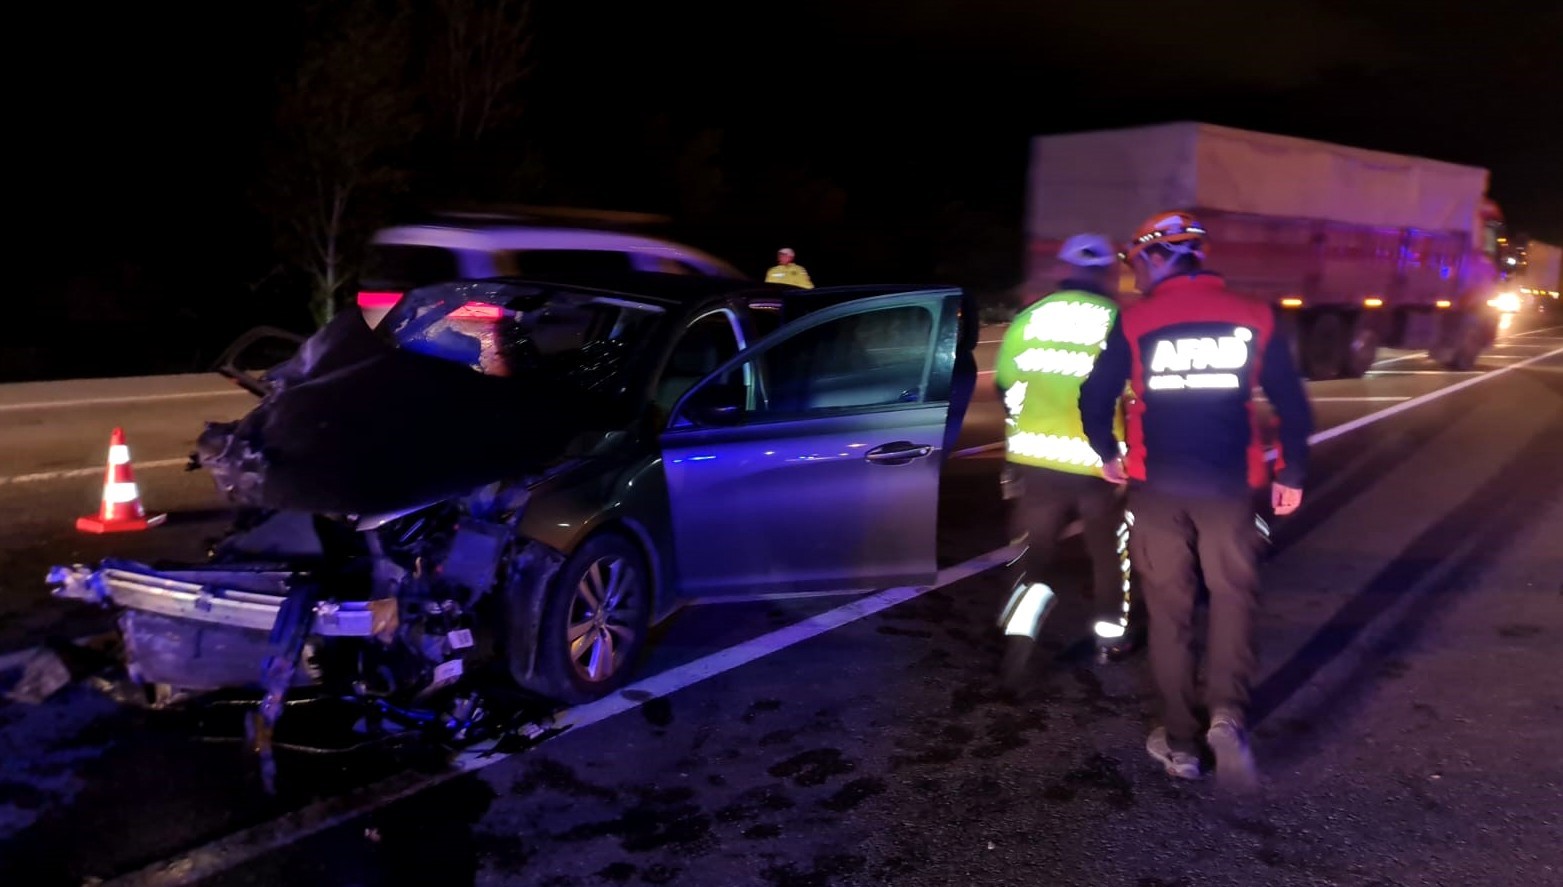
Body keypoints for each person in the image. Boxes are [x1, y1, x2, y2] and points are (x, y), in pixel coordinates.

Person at [1078, 211, 1312, 791]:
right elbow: (1291, 402)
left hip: (1158, 486)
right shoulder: (1255, 315)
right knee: (1233, 597)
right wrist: (1293, 472)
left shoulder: (1137, 322)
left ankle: (1181, 742)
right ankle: (1228, 715)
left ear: (1160, 257)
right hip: (1231, 485)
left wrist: (1108, 450)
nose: (1134, 274)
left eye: (1137, 262)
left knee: (1171, 609)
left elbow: (1094, 395)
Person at [993, 233, 1140, 687]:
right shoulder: (1117, 319)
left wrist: (1023, 429)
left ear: (1064, 270)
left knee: (1034, 549)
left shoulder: (1030, 316)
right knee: (1106, 549)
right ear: (1107, 273)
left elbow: (1004, 382)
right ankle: (1109, 636)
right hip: (1098, 462)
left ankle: (1022, 628)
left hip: (1034, 457)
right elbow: (1132, 389)